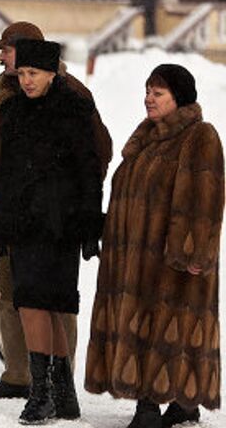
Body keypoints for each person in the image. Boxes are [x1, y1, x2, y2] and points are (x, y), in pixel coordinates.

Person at [0, 21, 112, 400]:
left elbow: (96, 153)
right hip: (15, 212)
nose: (0, 56)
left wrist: (68, 202)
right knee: (13, 295)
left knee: (53, 302)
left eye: (6, 49)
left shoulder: (71, 95)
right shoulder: (7, 92)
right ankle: (18, 374)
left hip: (54, 218)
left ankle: (56, 382)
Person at [85, 64, 223, 428]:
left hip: (171, 261)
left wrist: (193, 253)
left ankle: (150, 406)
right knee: (150, 323)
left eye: (157, 93)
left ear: (179, 98)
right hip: (137, 258)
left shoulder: (199, 136)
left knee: (164, 326)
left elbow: (203, 201)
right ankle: (183, 403)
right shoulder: (148, 137)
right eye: (147, 90)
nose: (148, 98)